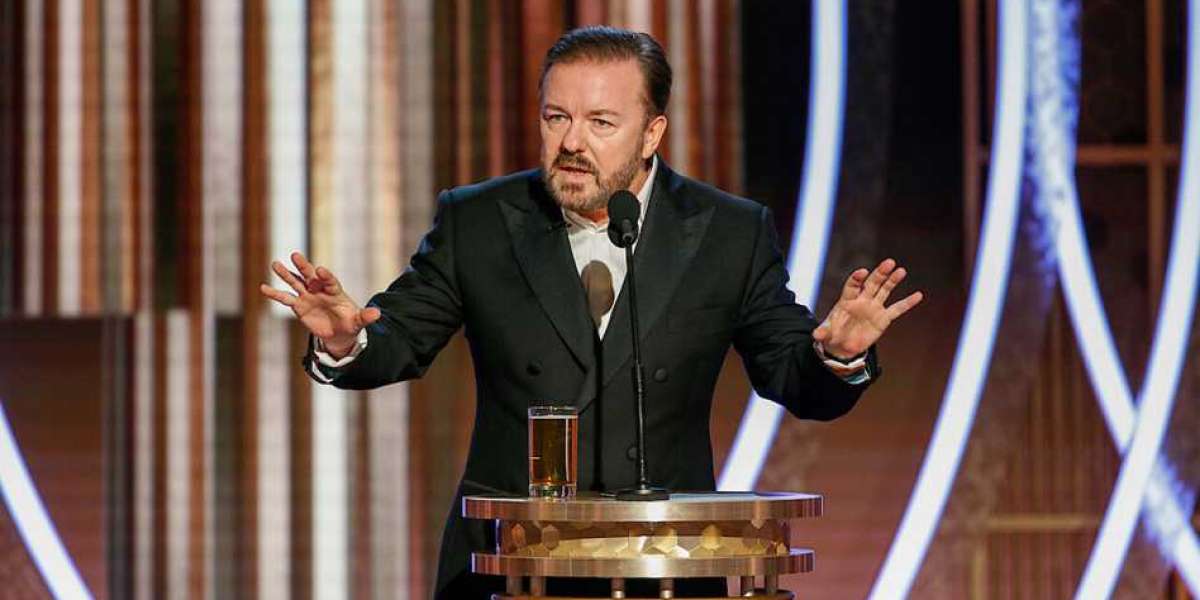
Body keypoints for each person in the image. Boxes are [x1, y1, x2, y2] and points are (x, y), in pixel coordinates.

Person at [260, 26, 922, 599]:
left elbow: (791, 376)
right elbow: (400, 337)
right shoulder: (481, 220)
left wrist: (837, 355)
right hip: (507, 560)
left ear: (652, 132)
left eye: (601, 123)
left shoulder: (727, 232)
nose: (572, 142)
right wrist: (346, 340)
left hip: (665, 565)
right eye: (556, 118)